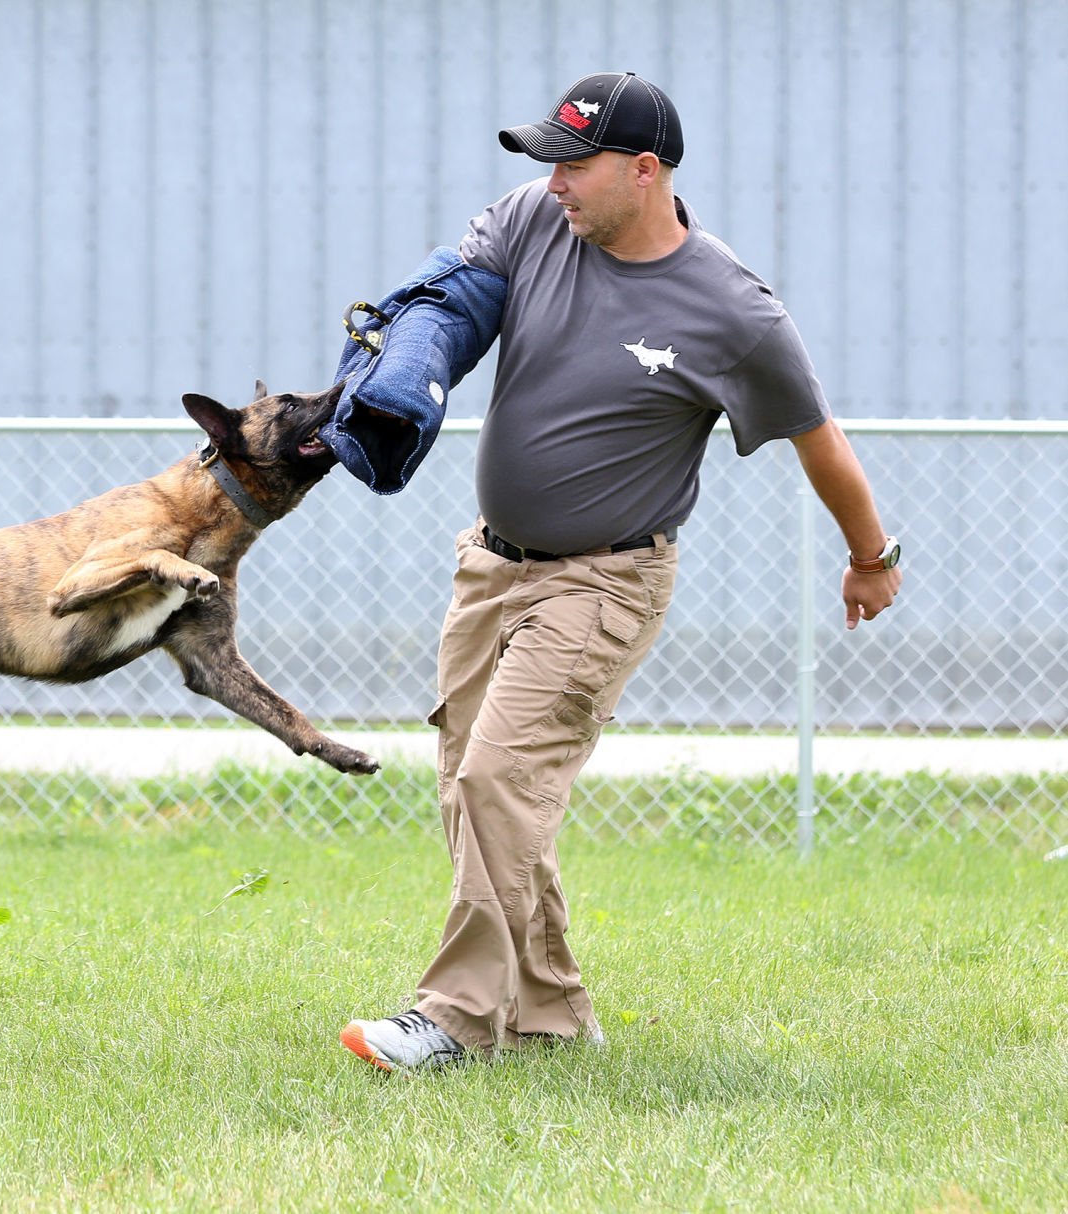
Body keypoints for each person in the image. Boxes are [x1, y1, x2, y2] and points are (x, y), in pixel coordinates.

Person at [332, 71, 903, 1072]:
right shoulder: (531, 221)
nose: (552, 181)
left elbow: (818, 437)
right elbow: (446, 300)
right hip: (490, 565)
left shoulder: (733, 312)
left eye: (574, 164)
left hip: (603, 582)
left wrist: (869, 555)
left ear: (644, 172)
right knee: (476, 793)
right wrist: (400, 362)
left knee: (499, 776)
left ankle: (453, 1018)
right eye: (546, 161)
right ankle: (551, 1017)